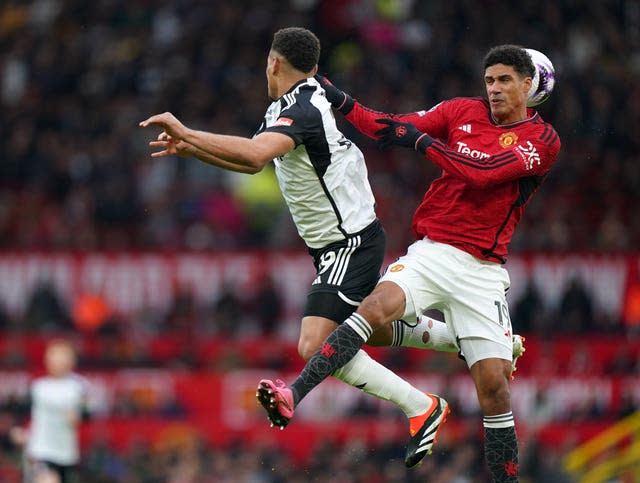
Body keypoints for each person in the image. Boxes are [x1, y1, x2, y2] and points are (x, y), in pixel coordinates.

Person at [139, 27, 505, 467]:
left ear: (273, 63)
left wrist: (187, 130)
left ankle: (421, 406)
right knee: (372, 326)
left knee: (315, 343)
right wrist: (191, 149)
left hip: (347, 243)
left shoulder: (304, 107)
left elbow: (255, 155)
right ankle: (474, 340)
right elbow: (254, 163)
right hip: (342, 242)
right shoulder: (296, 102)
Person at [257, 44, 560, 482]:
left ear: (528, 86)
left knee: (495, 391)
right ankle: (295, 392)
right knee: (372, 309)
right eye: (490, 80)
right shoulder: (461, 111)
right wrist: (341, 99)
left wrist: (423, 144)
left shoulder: (543, 140)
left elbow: (485, 172)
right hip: (432, 251)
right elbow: (392, 127)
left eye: (505, 81)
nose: (494, 89)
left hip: (483, 271)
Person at [11, 339, 90, 483]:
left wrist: (78, 417)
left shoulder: (79, 387)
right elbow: (22, 410)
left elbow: (87, 413)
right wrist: (18, 429)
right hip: (40, 450)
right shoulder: (39, 387)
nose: (57, 360)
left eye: (62, 356)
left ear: (71, 360)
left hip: (67, 454)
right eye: (53, 355)